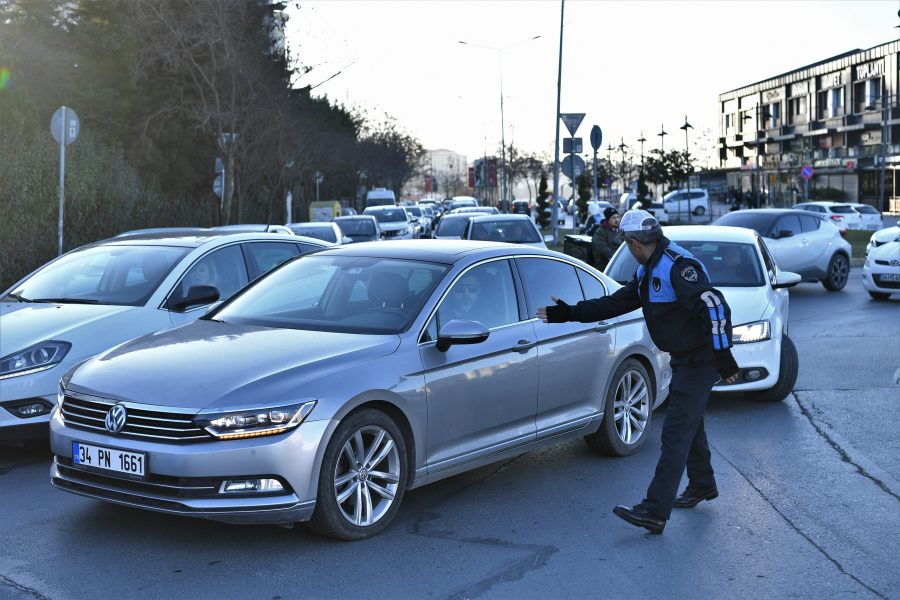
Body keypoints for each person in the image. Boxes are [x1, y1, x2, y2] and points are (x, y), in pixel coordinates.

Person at [537, 209, 739, 535]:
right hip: (684, 359)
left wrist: (723, 358)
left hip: (699, 360)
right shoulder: (648, 271)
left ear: (633, 243)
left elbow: (714, 305)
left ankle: (654, 511)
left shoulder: (676, 266)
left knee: (674, 433)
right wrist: (567, 313)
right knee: (689, 424)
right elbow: (613, 304)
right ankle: (702, 484)